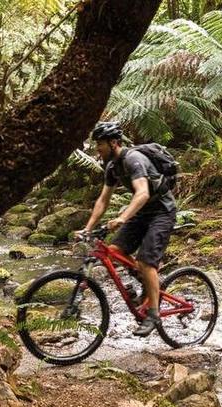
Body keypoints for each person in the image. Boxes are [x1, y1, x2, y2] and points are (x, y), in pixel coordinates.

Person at [80, 122, 177, 337]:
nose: (97, 148)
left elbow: (142, 193)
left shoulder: (134, 159)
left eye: (100, 144)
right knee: (114, 251)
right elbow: (103, 200)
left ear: (114, 143)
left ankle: (153, 314)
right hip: (141, 213)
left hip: (162, 212)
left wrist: (122, 218)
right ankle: (145, 283)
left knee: (146, 261)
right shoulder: (112, 167)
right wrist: (87, 228)